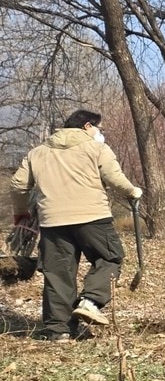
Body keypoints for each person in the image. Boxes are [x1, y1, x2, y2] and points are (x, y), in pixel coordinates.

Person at [8, 109, 142, 340]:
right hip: (93, 218)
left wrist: (21, 213)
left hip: (53, 222)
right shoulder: (97, 148)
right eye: (100, 128)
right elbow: (114, 177)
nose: (101, 133)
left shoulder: (38, 152)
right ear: (88, 127)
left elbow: (18, 185)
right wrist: (133, 191)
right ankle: (91, 301)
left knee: (58, 273)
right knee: (109, 258)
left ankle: (58, 331)